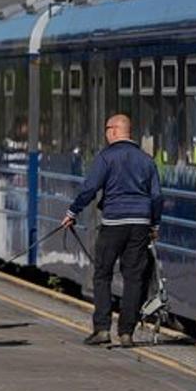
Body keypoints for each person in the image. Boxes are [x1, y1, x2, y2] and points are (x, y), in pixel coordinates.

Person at [60, 114, 162, 348]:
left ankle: (102, 329)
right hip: (140, 224)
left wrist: (72, 212)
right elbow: (157, 196)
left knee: (102, 274)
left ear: (115, 130)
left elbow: (90, 189)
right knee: (134, 278)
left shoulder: (106, 157)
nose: (106, 133)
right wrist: (154, 225)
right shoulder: (147, 160)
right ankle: (127, 332)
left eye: (107, 128)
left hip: (114, 223)